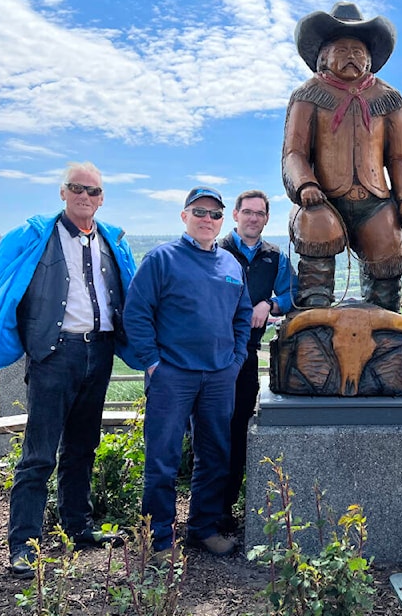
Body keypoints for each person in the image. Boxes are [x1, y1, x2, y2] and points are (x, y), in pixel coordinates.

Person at [0, 161, 139, 579]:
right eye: (77, 188)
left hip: (98, 352)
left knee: (82, 448)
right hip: (55, 355)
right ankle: (23, 545)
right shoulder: (34, 236)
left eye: (94, 191)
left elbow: (130, 290)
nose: (85, 196)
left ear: (102, 199)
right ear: (62, 192)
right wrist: (25, 339)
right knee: (38, 454)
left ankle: (78, 528)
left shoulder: (113, 240)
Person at [123, 186, 252, 557]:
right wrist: (152, 363)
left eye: (214, 215)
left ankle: (202, 527)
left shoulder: (231, 264)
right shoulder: (162, 259)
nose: (207, 220)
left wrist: (235, 360)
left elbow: (242, 316)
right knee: (162, 459)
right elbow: (137, 312)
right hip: (172, 376)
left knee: (214, 455)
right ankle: (159, 539)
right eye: (199, 212)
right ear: (184, 216)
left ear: (222, 221)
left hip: (218, 377)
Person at [282, 1, 402, 311]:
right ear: (323, 56)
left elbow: (400, 157)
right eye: (342, 50)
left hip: (375, 198)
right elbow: (294, 153)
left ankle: (384, 327)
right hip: (322, 198)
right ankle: (314, 319)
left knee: (387, 239)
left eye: (358, 52)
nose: (351, 57)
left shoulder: (389, 98)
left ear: (369, 59)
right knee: (316, 228)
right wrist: (305, 185)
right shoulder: (307, 95)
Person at [217, 190, 297, 532]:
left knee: (236, 432)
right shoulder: (217, 250)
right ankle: (204, 513)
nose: (252, 218)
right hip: (210, 357)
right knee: (208, 434)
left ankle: (225, 511)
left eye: (259, 213)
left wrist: (271, 304)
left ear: (266, 219)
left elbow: (295, 293)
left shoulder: (274, 258)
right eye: (247, 212)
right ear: (235, 215)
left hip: (245, 357)